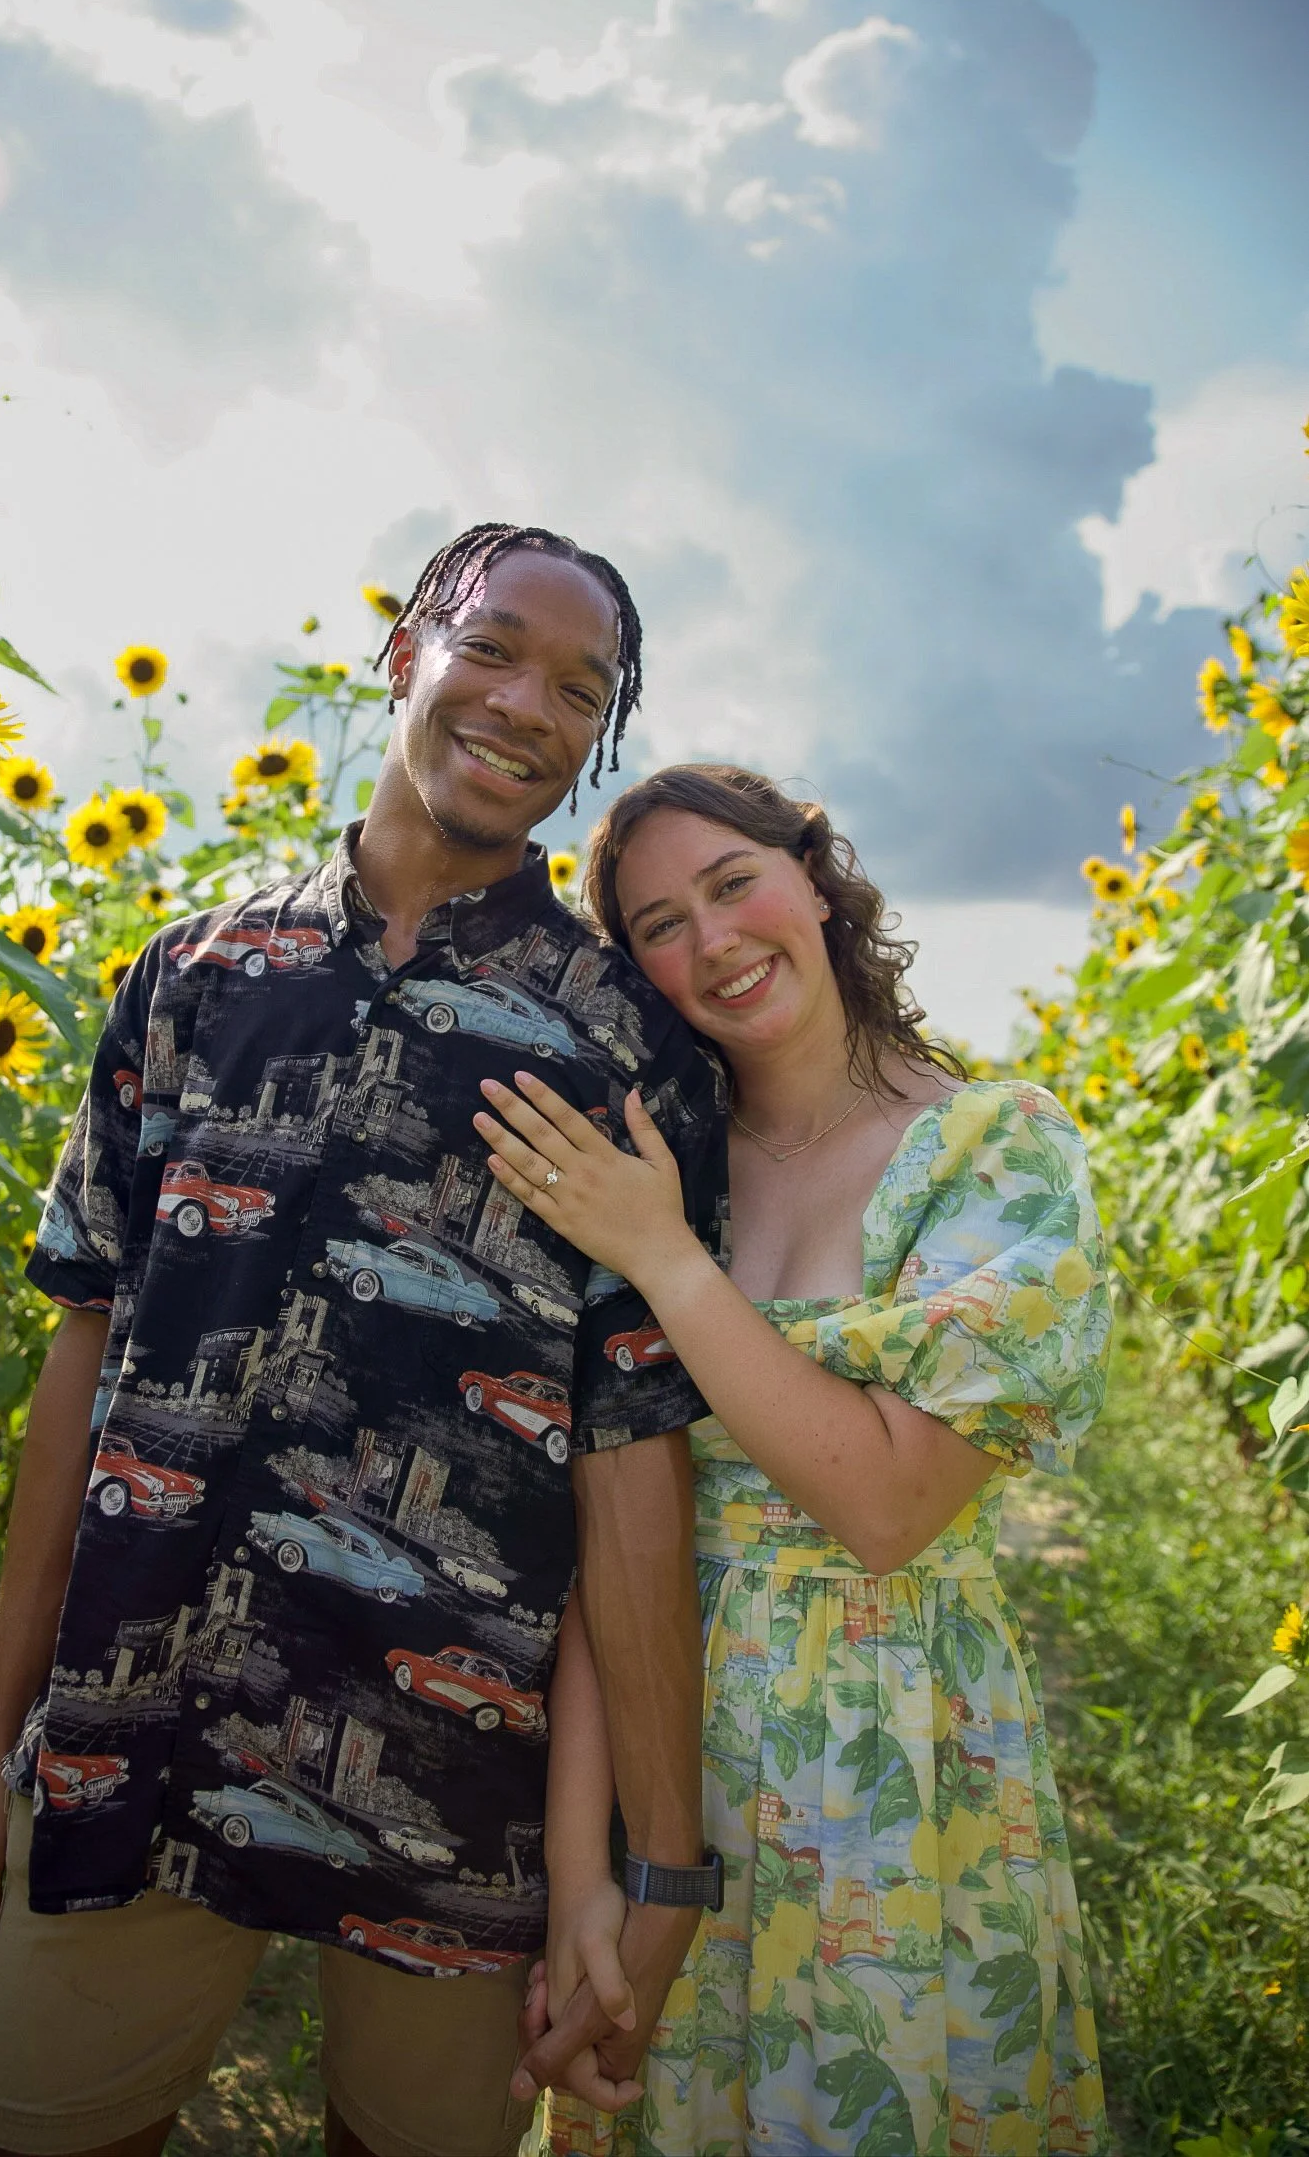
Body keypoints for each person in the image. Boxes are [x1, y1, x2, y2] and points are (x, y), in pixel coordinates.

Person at [0, 529, 728, 2157]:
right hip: (136, 1726)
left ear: (602, 738)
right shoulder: (195, 981)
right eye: (492, 649)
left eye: (582, 689)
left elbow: (632, 1460)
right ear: (406, 647)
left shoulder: (628, 1052)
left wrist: (660, 1859)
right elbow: (84, 1367)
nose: (527, 708)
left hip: (456, 1786)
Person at [475, 764, 1112, 2155]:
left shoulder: (994, 1150)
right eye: (657, 924)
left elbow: (888, 1502)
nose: (712, 942)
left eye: (732, 884)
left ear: (814, 879)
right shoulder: (661, 1157)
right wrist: (592, 1875)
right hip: (668, 1740)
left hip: (892, 1765)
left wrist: (660, 1255)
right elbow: (615, 1524)